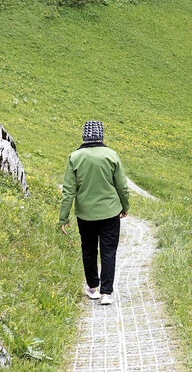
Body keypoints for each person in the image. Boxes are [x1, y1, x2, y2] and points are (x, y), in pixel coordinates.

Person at [59, 121, 130, 305]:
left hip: (85, 214)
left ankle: (93, 288)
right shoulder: (111, 155)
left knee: (88, 249)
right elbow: (122, 186)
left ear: (84, 136)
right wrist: (125, 206)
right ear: (101, 136)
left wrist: (63, 217)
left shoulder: (75, 157)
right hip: (110, 212)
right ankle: (107, 293)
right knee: (108, 251)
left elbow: (68, 190)